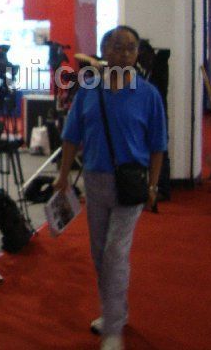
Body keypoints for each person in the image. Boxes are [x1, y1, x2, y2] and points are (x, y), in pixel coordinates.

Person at [53, 26, 167, 350]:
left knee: (116, 253)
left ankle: (113, 329)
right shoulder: (88, 91)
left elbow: (158, 145)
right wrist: (63, 176)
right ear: (104, 51)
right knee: (100, 253)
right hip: (95, 181)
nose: (123, 53)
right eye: (116, 47)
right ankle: (115, 311)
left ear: (137, 53)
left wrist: (153, 185)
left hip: (130, 184)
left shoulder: (148, 94)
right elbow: (71, 136)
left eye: (130, 47)